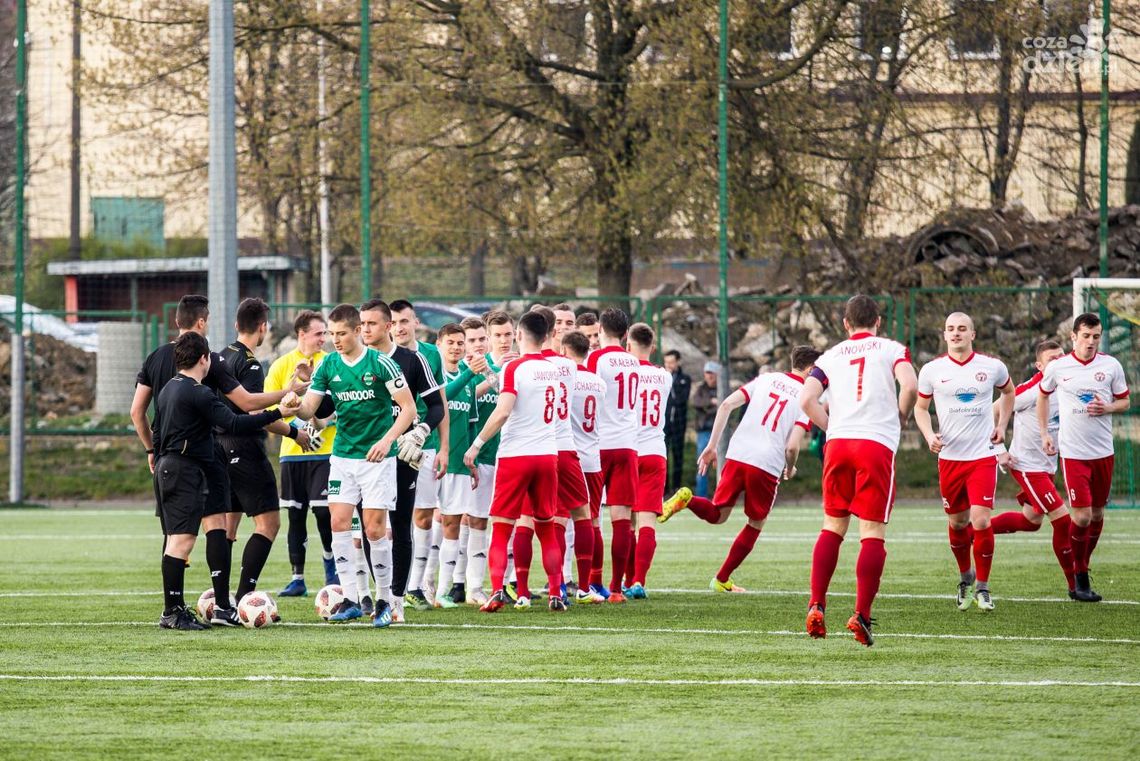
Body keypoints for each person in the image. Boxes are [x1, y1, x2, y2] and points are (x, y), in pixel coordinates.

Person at [130, 294, 305, 626]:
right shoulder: (200, 385)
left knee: (209, 529)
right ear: (201, 328)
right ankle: (180, 609)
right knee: (189, 536)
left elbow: (136, 411)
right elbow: (243, 409)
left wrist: (152, 449)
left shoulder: (159, 366)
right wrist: (284, 402)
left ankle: (214, 607)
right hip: (190, 460)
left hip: (186, 458)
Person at [287, 303, 417, 628]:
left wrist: (387, 441)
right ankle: (350, 598)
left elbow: (408, 409)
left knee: (374, 528)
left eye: (341, 333)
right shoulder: (329, 364)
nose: (335, 340)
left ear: (358, 331)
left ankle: (385, 600)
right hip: (343, 457)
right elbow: (310, 412)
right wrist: (293, 405)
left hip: (377, 459)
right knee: (339, 523)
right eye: (331, 334)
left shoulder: (382, 364)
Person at [800, 295, 917, 647]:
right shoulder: (892, 348)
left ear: (845, 324)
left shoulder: (831, 355)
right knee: (872, 533)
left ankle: (816, 603)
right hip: (874, 444)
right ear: (878, 321)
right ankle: (861, 615)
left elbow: (806, 400)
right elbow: (910, 385)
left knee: (833, 525)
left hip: (838, 444)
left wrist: (830, 425)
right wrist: (902, 414)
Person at [660, 346, 820, 593]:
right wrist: (791, 468)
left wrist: (712, 446)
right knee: (756, 522)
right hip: (766, 463)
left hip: (737, 453)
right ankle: (722, 579)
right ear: (810, 370)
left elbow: (725, 405)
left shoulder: (767, 378)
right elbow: (791, 447)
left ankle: (688, 499)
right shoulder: (806, 398)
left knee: (718, 513)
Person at [463, 311, 567, 613]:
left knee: (502, 527)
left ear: (519, 336)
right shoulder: (554, 370)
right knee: (546, 527)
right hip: (548, 455)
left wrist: (477, 444)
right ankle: (556, 593)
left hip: (516, 455)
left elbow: (504, 411)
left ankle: (496, 591)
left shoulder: (515, 367)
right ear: (546, 337)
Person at [914, 312, 1014, 612]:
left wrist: (1002, 425)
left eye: (962, 329)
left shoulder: (992, 366)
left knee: (981, 520)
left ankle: (983, 587)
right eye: (950, 329)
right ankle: (965, 577)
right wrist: (929, 434)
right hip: (950, 459)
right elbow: (921, 408)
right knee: (957, 522)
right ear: (944, 335)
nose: (956, 333)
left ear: (973, 334)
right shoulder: (932, 370)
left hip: (982, 455)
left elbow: (1009, 392)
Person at [359, 298, 446, 623]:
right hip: (364, 457)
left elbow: (437, 406)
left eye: (371, 323)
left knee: (400, 525)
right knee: (370, 529)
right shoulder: (354, 360)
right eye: (361, 324)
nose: (365, 330)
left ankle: (396, 599)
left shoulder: (412, 360)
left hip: (404, 455)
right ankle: (374, 596)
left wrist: (421, 430)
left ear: (388, 326)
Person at [1037, 312, 1131, 602]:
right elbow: (1043, 395)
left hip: (1103, 452)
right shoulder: (1059, 367)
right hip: (1073, 453)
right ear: (1073, 337)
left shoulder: (1111, 366)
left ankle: (1082, 565)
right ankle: (1079, 575)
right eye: (1086, 336)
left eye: (1096, 336)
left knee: (1098, 515)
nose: (1091, 341)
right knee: (1082, 515)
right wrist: (1045, 434)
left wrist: (1108, 408)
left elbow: (1125, 401)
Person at [217, 297, 295, 605]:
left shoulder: (221, 357)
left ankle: (222, 602)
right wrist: (292, 428)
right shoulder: (249, 364)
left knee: (227, 526)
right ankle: (244, 596)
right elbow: (251, 413)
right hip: (244, 449)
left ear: (237, 325)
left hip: (218, 448)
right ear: (262, 327)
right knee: (269, 524)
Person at [989, 340, 1077, 597]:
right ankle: (1076, 585)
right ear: (1040, 366)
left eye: (1062, 356)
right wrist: (999, 449)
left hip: (1046, 467)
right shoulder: (1030, 389)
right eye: (1052, 359)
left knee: (1031, 521)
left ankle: (975, 531)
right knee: (1063, 522)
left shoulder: (1068, 385)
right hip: (1027, 467)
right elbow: (992, 410)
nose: (1059, 362)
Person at [270, 310, 339, 598]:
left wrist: (322, 422)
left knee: (324, 512)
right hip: (292, 454)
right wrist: (297, 426)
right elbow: (269, 410)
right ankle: (297, 578)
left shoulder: (333, 363)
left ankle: (330, 568)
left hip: (326, 452)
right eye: (319, 333)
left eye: (326, 333)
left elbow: (341, 404)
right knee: (295, 515)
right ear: (302, 334)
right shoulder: (280, 366)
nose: (324, 339)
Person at [390, 299, 450, 609]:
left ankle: (414, 586)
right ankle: (369, 589)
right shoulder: (378, 355)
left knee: (420, 516)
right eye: (394, 322)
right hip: (384, 447)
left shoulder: (428, 356)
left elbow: (441, 404)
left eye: (404, 321)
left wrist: (444, 447)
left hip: (420, 447)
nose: (399, 327)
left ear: (416, 323)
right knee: (376, 523)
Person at [434, 323, 496, 608]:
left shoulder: (469, 381)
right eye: (453, 342)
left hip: (459, 464)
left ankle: (443, 591)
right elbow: (442, 396)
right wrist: (472, 373)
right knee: (425, 523)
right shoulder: (434, 374)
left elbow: (472, 423)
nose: (457, 347)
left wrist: (471, 460)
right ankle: (422, 586)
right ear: (440, 344)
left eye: (461, 343)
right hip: (431, 459)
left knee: (453, 524)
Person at [585, 308, 641, 603]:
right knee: (622, 520)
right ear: (625, 332)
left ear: (602, 329)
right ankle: (617, 589)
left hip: (599, 443)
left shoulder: (596, 358)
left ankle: (594, 581)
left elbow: (586, 391)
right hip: (628, 444)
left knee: (593, 518)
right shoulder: (634, 361)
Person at [623, 323, 672, 598]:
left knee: (626, 522)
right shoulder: (665, 377)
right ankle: (639, 581)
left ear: (628, 345)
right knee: (647, 523)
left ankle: (626, 580)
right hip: (655, 451)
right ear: (653, 347)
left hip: (629, 449)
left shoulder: (623, 373)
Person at [563, 329, 607, 604]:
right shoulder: (599, 383)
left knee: (558, 521)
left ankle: (560, 582)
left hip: (569, 456)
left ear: (566, 353)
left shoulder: (565, 380)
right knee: (590, 522)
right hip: (593, 458)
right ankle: (587, 584)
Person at [663, 350, 691, 493]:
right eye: (666, 362)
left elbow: (681, 399)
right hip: (664, 423)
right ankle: (665, 486)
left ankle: (676, 486)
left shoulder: (684, 379)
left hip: (679, 423)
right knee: (664, 454)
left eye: (671, 362)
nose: (669, 365)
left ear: (678, 362)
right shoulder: (661, 377)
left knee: (678, 454)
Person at [692, 362, 720, 498]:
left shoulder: (723, 388)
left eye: (711, 373)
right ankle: (701, 497)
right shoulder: (700, 389)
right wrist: (712, 403)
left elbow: (725, 406)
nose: (709, 376)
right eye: (707, 373)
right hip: (704, 432)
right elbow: (697, 403)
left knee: (723, 466)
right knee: (702, 465)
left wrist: (708, 408)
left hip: (721, 434)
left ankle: (722, 496)